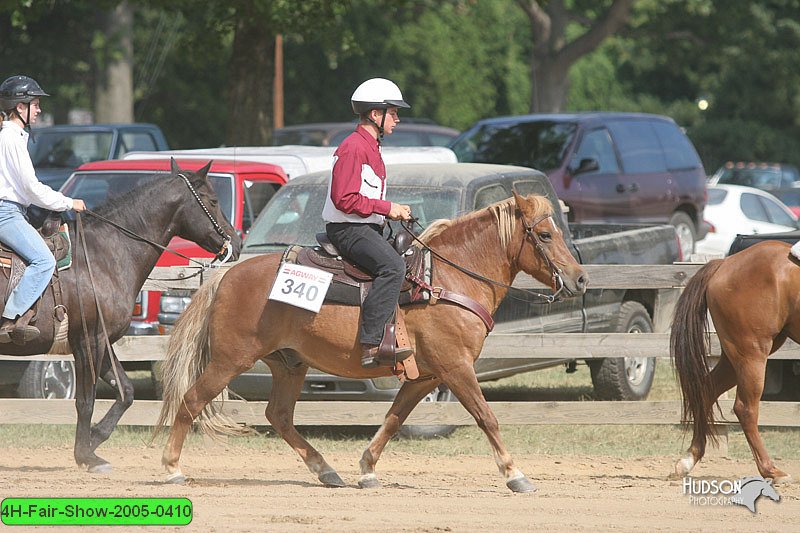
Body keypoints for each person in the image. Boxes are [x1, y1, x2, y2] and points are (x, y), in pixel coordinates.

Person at [322, 78, 414, 368]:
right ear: (376, 114)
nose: (397, 119)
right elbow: (344, 198)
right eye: (393, 112)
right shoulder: (353, 148)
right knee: (393, 266)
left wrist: (390, 211)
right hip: (348, 230)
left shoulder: (371, 147)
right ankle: (372, 344)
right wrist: (388, 208)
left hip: (363, 227)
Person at [0, 75, 86, 344]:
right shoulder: (11, 139)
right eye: (35, 104)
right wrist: (68, 202)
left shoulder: (13, 137)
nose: (39, 110)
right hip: (7, 213)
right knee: (44, 260)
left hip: (15, 210)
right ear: (20, 107)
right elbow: (31, 189)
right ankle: (11, 319)